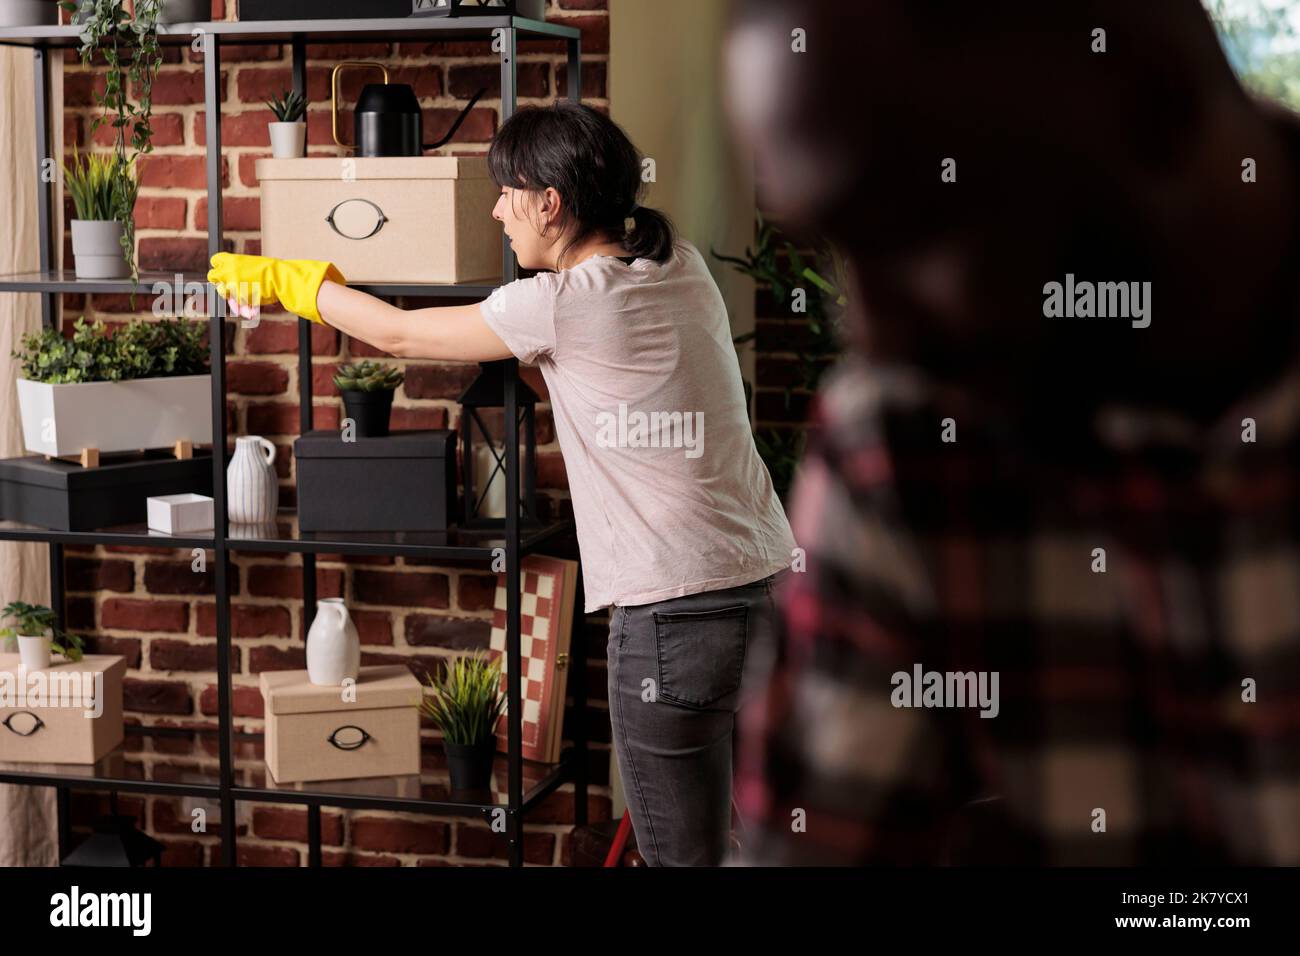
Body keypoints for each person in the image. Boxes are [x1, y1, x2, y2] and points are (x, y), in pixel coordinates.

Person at [723, 0, 1300, 864]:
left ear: (1159, 105)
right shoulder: (907, 442)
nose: (866, 334)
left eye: (916, 224)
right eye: (839, 247)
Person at [208, 101, 795, 867]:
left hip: (668, 626)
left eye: (506, 191)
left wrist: (291, 279)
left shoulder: (557, 304)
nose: (495, 209)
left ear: (550, 203)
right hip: (766, 600)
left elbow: (399, 333)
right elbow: (612, 378)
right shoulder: (677, 262)